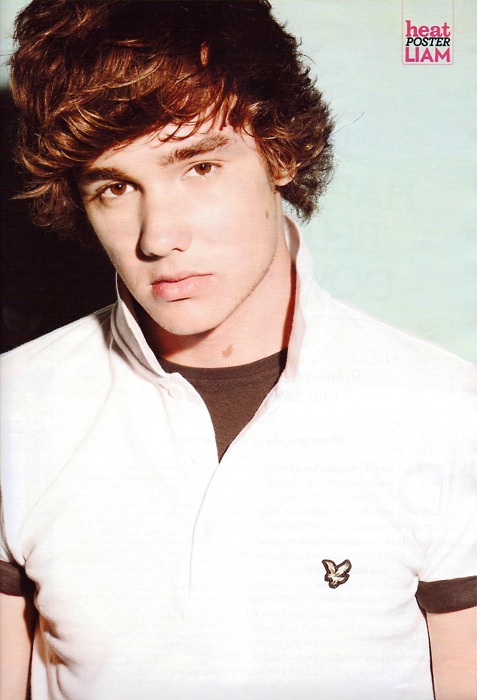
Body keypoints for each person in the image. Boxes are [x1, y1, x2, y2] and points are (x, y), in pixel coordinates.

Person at [0, 1, 476, 698]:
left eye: (198, 167)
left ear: (279, 151)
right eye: (115, 187)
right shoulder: (17, 405)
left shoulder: (443, 408)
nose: (159, 236)